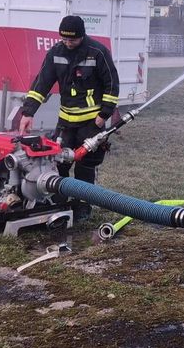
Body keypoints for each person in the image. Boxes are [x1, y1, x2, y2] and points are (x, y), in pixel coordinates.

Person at [18, 15, 119, 222]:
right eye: (64, 39)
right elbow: (41, 85)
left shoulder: (97, 53)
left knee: (85, 166)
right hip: (65, 122)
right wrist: (28, 113)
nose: (67, 43)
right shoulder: (56, 53)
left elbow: (111, 84)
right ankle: (59, 203)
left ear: (82, 36)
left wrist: (103, 116)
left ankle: (83, 206)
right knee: (58, 163)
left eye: (72, 40)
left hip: (91, 123)